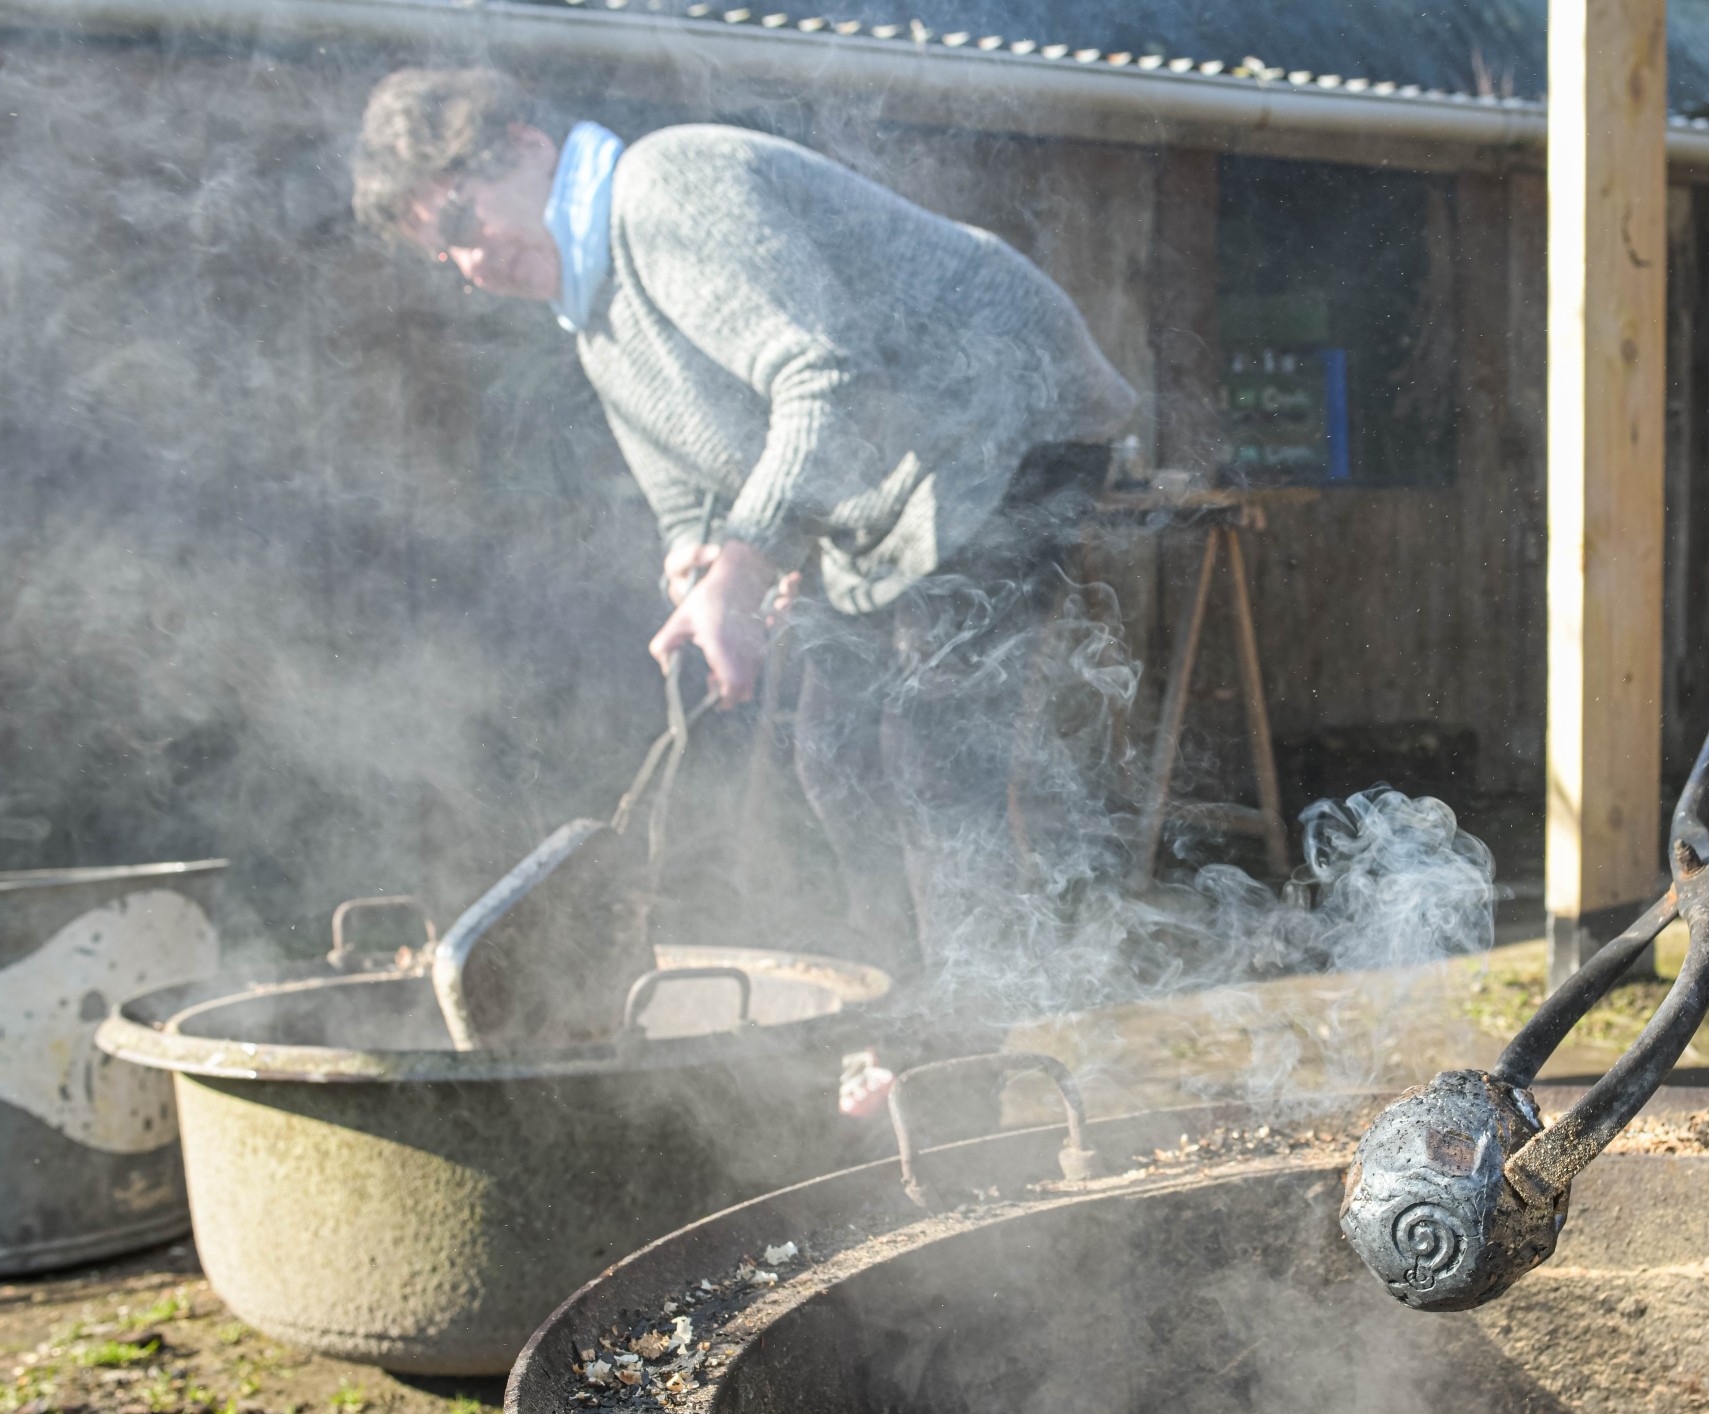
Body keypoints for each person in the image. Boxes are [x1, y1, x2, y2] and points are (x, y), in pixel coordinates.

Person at [349, 69, 1135, 978]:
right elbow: (689, 497)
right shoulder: (597, 324)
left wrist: (749, 563)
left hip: (1001, 411)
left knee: (932, 754)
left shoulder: (665, 185)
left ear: (525, 148)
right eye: (443, 259)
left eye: (458, 223)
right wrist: (696, 570)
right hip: (877, 490)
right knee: (832, 757)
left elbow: (824, 378)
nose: (471, 266)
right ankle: (891, 1014)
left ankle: (960, 1052)